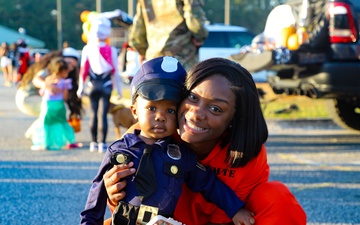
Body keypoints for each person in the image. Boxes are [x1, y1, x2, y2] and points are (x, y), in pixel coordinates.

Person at [104, 57, 307, 224]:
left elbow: (225, 217)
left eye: (215, 108)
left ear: (234, 119)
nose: (196, 114)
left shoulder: (247, 155)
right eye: (192, 98)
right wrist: (114, 195)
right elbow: (124, 210)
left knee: (276, 198)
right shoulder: (146, 134)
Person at [80, 56, 255, 225]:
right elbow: (97, 193)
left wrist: (235, 210)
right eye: (152, 107)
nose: (160, 117)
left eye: (170, 110)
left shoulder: (181, 155)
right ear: (134, 111)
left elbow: (210, 185)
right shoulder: (118, 150)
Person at [77, 16, 122, 153]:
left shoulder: (87, 49)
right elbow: (116, 72)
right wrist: (119, 91)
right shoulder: (112, 50)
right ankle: (102, 143)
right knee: (103, 115)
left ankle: (93, 142)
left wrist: (81, 88)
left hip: (92, 85)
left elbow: (83, 70)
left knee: (93, 113)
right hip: (106, 84)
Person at [16, 47, 83, 139]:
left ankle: (32, 133)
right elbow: (36, 79)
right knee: (53, 109)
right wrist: (45, 85)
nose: (70, 68)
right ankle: (38, 134)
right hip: (27, 98)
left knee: (52, 110)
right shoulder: (52, 68)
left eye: (72, 66)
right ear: (62, 58)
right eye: (69, 63)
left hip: (28, 98)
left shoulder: (59, 71)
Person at [128, 0, 208, 71]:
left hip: (154, 57)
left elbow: (139, 26)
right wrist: (200, 36)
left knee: (156, 86)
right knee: (185, 85)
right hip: (182, 55)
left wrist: (141, 50)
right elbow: (194, 18)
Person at [30, 57, 76, 151]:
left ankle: (46, 143)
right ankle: (70, 141)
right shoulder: (64, 82)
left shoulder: (47, 80)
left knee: (46, 124)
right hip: (59, 105)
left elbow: (42, 92)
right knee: (62, 123)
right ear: (62, 71)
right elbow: (65, 97)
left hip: (47, 106)